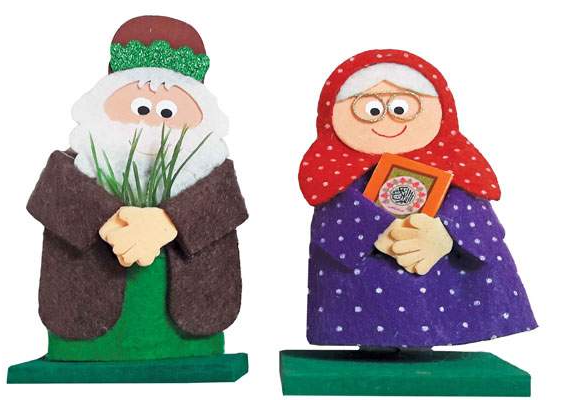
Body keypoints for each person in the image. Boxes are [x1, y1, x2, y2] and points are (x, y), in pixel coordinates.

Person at [27, 16, 247, 361]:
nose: (150, 121)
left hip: (191, 315)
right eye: (140, 107)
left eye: (168, 111)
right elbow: (52, 192)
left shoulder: (209, 169)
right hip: (85, 309)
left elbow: (226, 201)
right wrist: (107, 219)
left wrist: (170, 221)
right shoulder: (81, 161)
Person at [299, 50, 536, 348]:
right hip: (366, 283)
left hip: (440, 281)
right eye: (371, 109)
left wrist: (446, 233)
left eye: (402, 108)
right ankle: (372, 346)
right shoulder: (337, 174)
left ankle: (423, 345)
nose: (387, 121)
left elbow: (478, 219)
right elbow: (333, 218)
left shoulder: (457, 168)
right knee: (365, 311)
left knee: (431, 312)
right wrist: (374, 228)